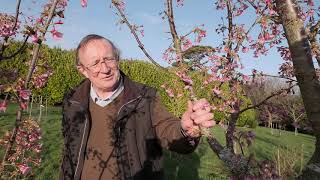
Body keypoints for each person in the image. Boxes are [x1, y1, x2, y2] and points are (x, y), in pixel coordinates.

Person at [60, 34, 215, 180]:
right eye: (95, 63)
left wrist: (186, 131)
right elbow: (70, 150)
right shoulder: (73, 101)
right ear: (83, 71)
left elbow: (167, 129)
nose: (105, 69)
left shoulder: (145, 97)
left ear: (117, 60)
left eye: (109, 59)